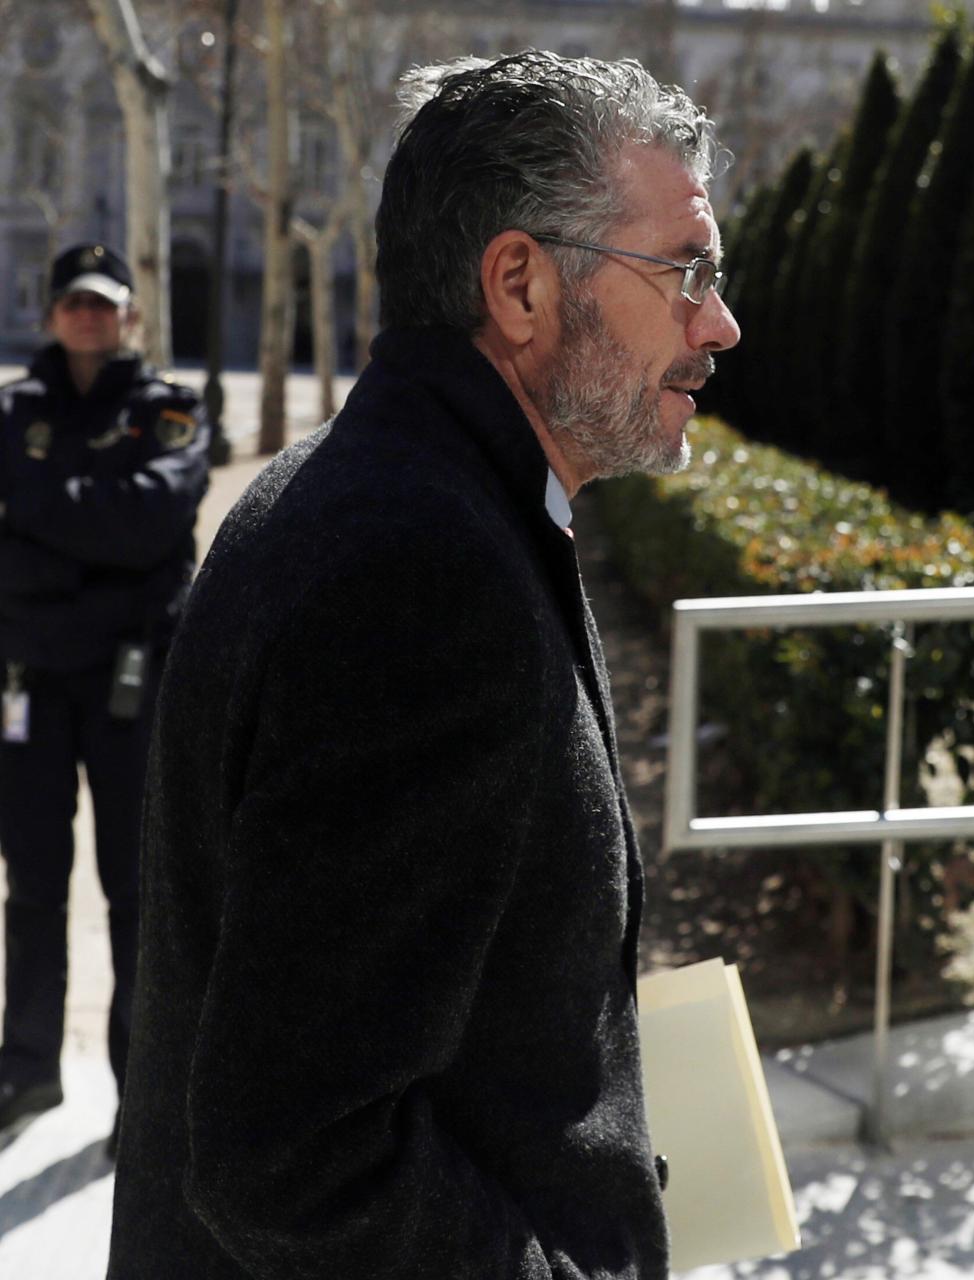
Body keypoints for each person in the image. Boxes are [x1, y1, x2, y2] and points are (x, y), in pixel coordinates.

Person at [108, 52, 738, 1278]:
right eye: (686, 273)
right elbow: (292, 1157)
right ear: (518, 284)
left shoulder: (392, 495)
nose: (719, 321)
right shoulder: (421, 570)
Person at [0, 243, 208, 1144]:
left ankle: (144, 1094)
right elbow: (120, 533)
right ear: (51, 314)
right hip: (28, 681)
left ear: (129, 314)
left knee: (137, 889)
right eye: (73, 303)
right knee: (34, 885)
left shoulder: (171, 407)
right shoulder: (13, 411)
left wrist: (38, 515)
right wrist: (99, 537)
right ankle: (27, 1072)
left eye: (104, 303)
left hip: (133, 680)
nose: (88, 317)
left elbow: (155, 521)